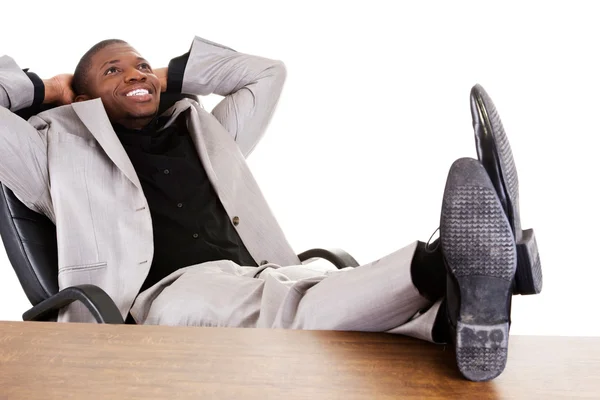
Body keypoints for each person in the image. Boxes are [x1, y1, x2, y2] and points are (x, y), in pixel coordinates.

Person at [0, 35, 541, 382]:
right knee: (290, 308)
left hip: (259, 274)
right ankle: (446, 265)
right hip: (161, 300)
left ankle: (453, 312)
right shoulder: (54, 150)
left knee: (311, 291)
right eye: (112, 71)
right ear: (82, 95)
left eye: (140, 65)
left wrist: (168, 76)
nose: (135, 74)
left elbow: (267, 74)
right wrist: (41, 88)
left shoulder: (206, 131)